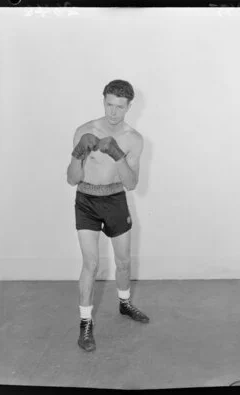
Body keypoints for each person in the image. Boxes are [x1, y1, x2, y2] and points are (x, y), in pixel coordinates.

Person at [67, 79, 149, 352]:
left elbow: (132, 184)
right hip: (87, 200)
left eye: (120, 107)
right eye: (109, 105)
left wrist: (117, 156)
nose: (113, 112)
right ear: (103, 100)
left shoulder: (134, 139)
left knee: (123, 262)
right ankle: (85, 323)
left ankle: (124, 303)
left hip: (115, 200)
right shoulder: (84, 130)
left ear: (129, 107)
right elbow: (71, 179)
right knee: (90, 263)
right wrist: (78, 154)